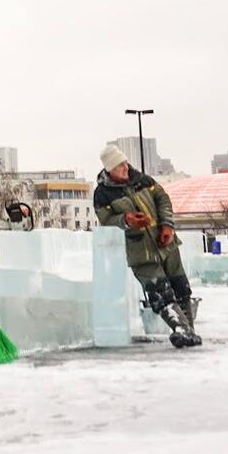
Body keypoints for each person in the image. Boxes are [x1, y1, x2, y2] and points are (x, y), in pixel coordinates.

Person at [93, 143, 201, 347]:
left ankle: (188, 331)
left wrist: (167, 225)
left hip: (165, 243)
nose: (125, 167)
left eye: (125, 162)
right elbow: (106, 220)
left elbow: (163, 199)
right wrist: (126, 220)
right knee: (160, 292)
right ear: (109, 169)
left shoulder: (143, 180)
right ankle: (181, 329)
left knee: (181, 288)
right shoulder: (102, 194)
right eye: (119, 166)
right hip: (140, 252)